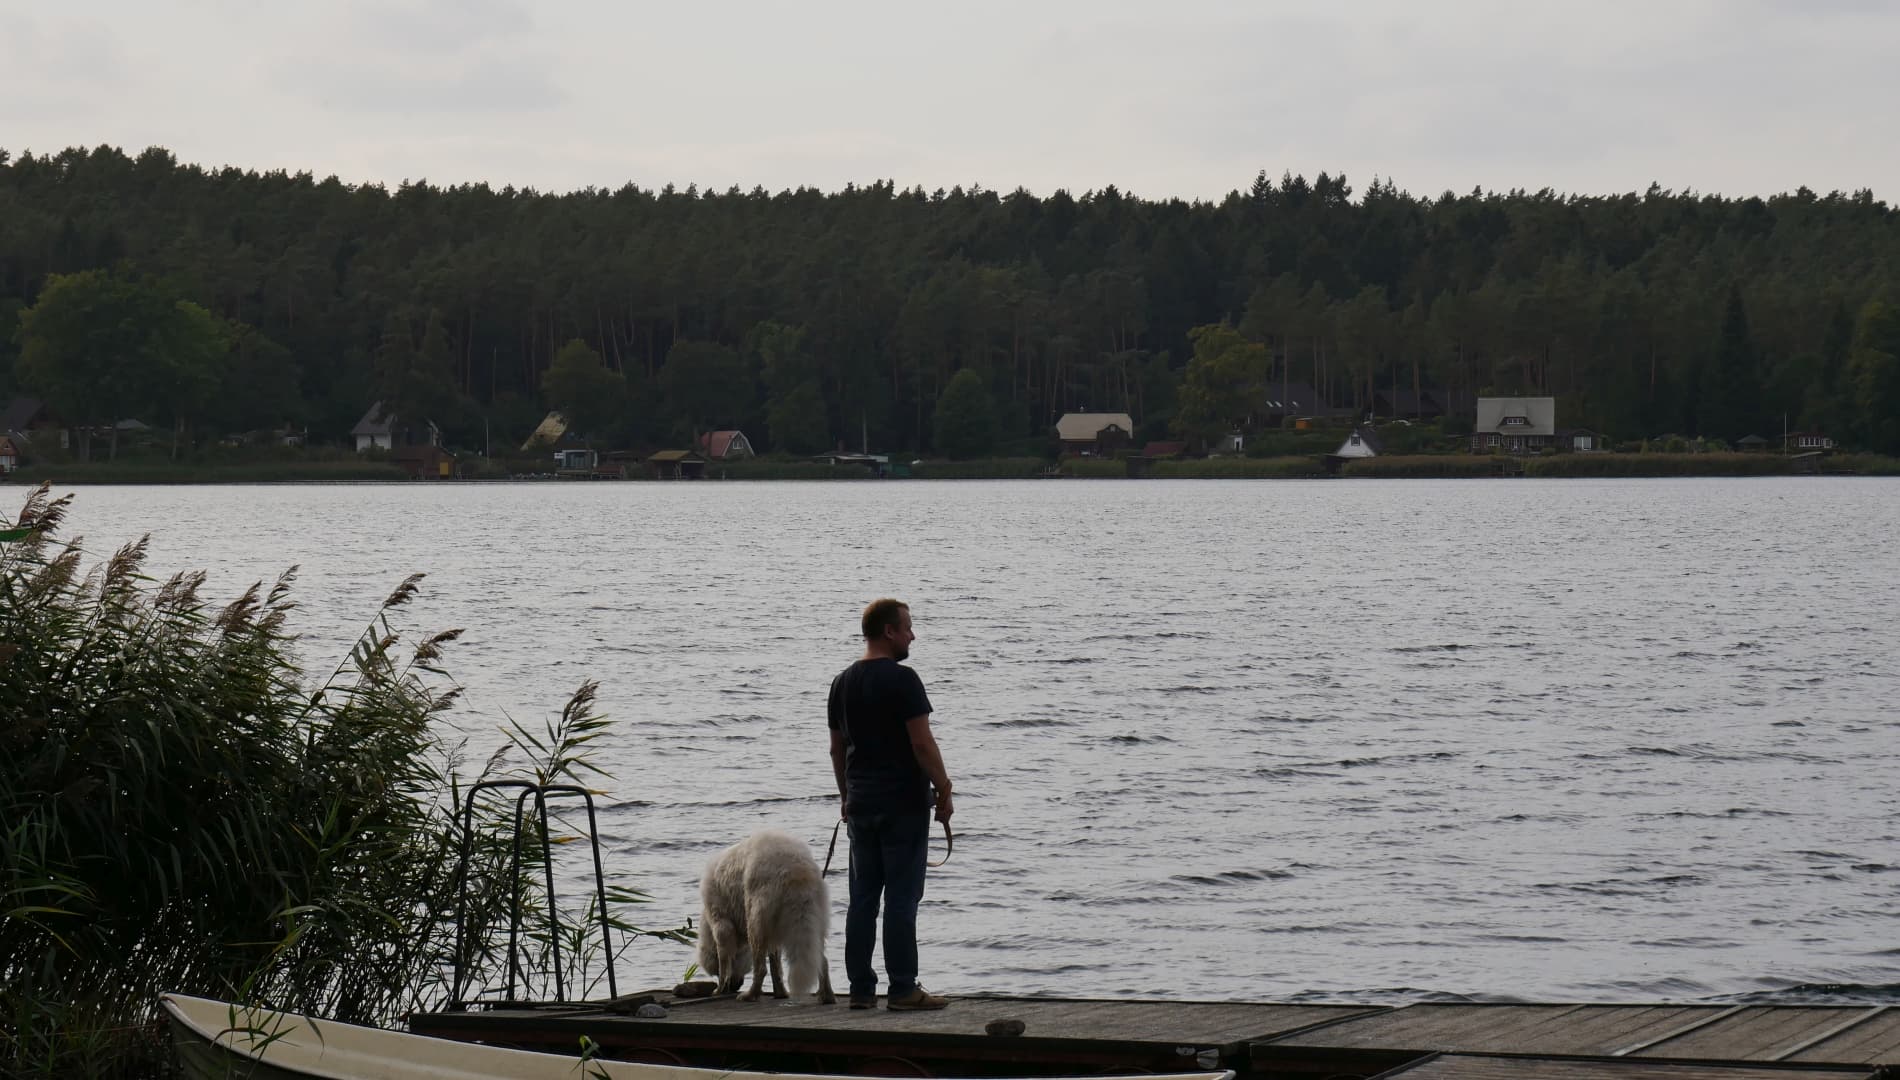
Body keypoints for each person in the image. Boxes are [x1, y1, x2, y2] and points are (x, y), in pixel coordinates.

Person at [828, 598, 954, 1011]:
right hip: (902, 805)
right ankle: (903, 989)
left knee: (863, 898)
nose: (912, 635)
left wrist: (846, 797)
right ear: (888, 631)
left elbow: (836, 749)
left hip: (861, 804)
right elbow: (921, 742)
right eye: (908, 627)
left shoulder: (841, 683)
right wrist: (945, 788)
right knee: (901, 898)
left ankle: (861, 990)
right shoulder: (904, 680)